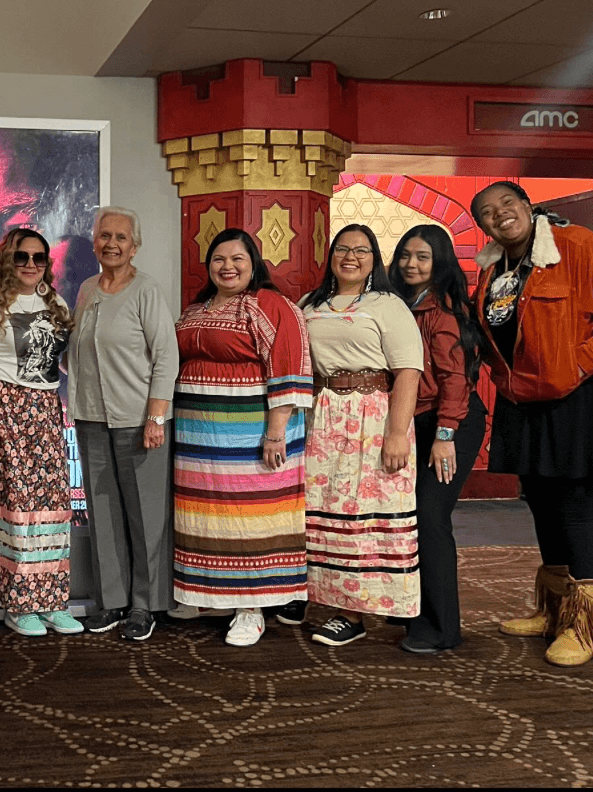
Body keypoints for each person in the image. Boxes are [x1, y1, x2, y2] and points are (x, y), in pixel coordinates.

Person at [471, 181, 593, 667]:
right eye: (486, 213)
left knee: (576, 502)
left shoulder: (577, 246)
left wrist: (579, 364)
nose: (498, 216)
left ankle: (583, 625)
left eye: (506, 204)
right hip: (520, 399)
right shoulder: (495, 269)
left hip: (575, 398)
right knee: (539, 498)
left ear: (527, 206)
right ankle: (556, 609)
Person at [172, 228, 312, 647]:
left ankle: (251, 606)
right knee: (206, 516)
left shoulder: (270, 305)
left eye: (237, 259)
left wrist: (275, 434)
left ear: (254, 264)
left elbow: (289, 367)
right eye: (218, 259)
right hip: (199, 437)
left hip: (249, 433)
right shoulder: (196, 308)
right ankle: (205, 593)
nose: (227, 266)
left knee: (248, 520)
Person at [0, 228, 82, 637]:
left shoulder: (55, 302)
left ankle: (51, 600)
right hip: (3, 411)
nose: (29, 264)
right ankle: (18, 603)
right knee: (15, 508)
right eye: (21, 257)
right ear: (6, 259)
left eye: (38, 257)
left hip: (43, 412)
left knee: (49, 509)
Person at [301, 224, 423, 647]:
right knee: (320, 508)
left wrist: (397, 434)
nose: (350, 256)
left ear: (375, 260)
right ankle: (318, 596)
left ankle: (353, 612)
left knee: (363, 513)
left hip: (372, 416)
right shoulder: (310, 304)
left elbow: (408, 370)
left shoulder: (387, 305)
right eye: (342, 248)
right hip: (322, 414)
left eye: (362, 250)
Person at [68, 207, 179, 642]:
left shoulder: (146, 292)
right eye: (104, 236)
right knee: (104, 512)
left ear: (135, 246)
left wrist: (156, 416)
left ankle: (144, 605)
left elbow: (166, 358)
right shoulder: (85, 289)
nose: (111, 243)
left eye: (121, 237)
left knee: (146, 516)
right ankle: (111, 601)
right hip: (92, 417)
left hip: (139, 421)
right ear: (94, 242)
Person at [389, 225, 487, 654]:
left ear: (440, 262)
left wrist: (445, 435)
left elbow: (454, 378)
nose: (412, 264)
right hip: (416, 422)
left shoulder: (442, 308)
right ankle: (414, 612)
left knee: (430, 518)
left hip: (451, 425)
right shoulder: (398, 303)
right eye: (406, 255)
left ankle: (441, 628)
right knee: (409, 517)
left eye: (422, 257)